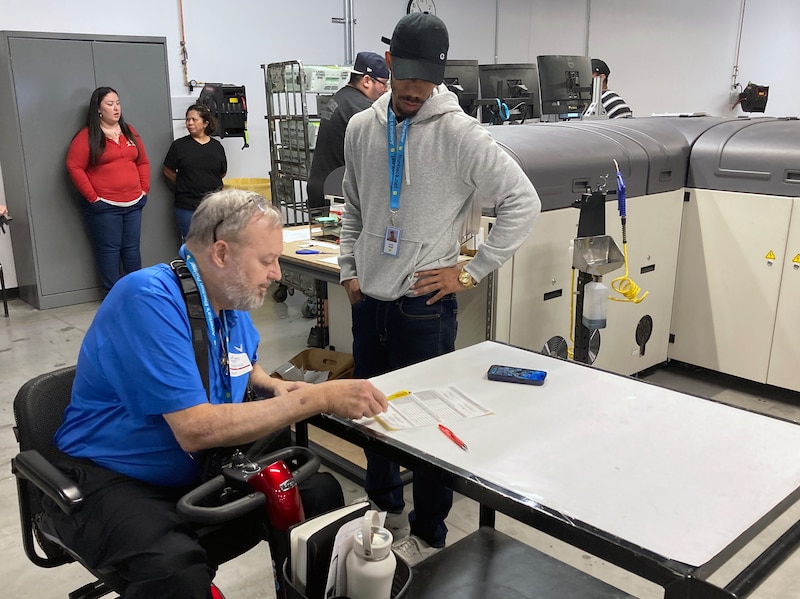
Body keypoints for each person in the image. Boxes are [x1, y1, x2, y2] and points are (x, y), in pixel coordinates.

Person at [41, 188, 389, 599]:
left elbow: (242, 361)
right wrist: (315, 398)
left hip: (199, 468)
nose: (277, 273)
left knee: (317, 494)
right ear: (221, 254)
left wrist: (270, 384)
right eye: (267, 260)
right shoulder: (148, 299)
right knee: (175, 570)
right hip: (115, 475)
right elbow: (196, 429)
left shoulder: (228, 300)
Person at [338, 12, 541, 561]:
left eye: (426, 79)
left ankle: (430, 535)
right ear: (388, 66)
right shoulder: (362, 128)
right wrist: (348, 271)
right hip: (369, 303)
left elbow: (525, 203)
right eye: (405, 76)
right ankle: (387, 515)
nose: (414, 89)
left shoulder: (460, 134)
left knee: (430, 426)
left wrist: (470, 272)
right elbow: (353, 207)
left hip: (423, 309)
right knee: (372, 420)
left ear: (441, 75)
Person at [66, 86, 150, 291]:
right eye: (110, 104)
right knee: (109, 251)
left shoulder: (129, 131)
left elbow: (143, 162)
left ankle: (136, 294)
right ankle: (113, 297)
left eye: (118, 103)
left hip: (133, 203)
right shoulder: (88, 136)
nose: (116, 108)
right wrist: (93, 197)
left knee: (132, 250)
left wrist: (143, 190)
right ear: (98, 109)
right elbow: (74, 166)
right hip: (105, 207)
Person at [306, 51, 389, 212]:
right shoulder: (361, 107)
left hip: (321, 186)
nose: (386, 90)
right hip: (335, 193)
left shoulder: (342, 96)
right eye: (383, 84)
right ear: (366, 81)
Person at [163, 104, 228, 241]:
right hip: (187, 204)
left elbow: (222, 172)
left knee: (214, 241)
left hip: (212, 204)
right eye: (187, 120)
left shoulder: (216, 147)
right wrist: (183, 182)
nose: (190, 123)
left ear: (205, 123)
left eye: (194, 119)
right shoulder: (179, 146)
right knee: (191, 242)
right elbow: (167, 170)